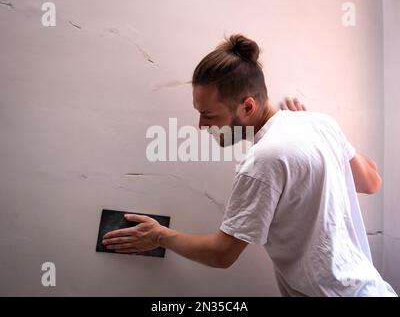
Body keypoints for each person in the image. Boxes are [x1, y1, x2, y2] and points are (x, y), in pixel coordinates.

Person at [102, 34, 397, 297]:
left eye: (209, 115)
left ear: (247, 106)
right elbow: (371, 181)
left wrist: (159, 236)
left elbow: (222, 254)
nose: (201, 125)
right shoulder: (319, 123)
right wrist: (325, 130)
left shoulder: (263, 161)